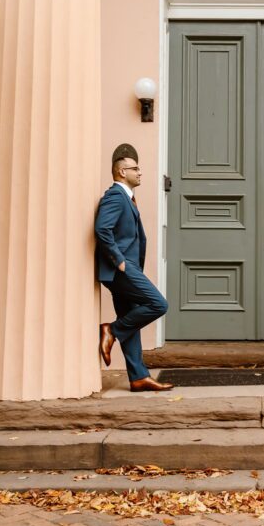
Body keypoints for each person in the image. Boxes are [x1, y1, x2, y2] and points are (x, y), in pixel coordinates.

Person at [94, 144, 174, 392]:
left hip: (126, 269)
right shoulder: (116, 196)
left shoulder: (126, 198)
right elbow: (102, 228)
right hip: (121, 270)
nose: (140, 172)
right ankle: (111, 330)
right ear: (120, 172)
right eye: (135, 168)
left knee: (131, 319)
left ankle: (138, 377)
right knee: (158, 304)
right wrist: (119, 260)